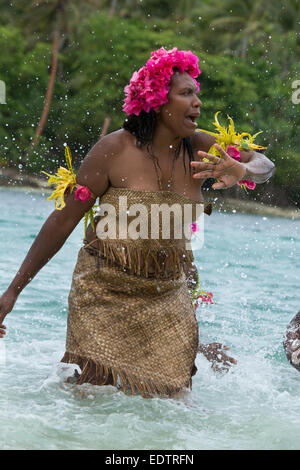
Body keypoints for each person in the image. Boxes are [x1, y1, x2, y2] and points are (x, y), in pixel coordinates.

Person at [0, 48, 274, 397]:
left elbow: (264, 165)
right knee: (90, 400)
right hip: (102, 293)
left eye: (197, 93)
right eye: (186, 93)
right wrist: (11, 293)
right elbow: (63, 220)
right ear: (159, 100)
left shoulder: (202, 148)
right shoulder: (112, 150)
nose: (197, 103)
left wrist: (242, 169)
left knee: (172, 408)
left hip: (167, 298)